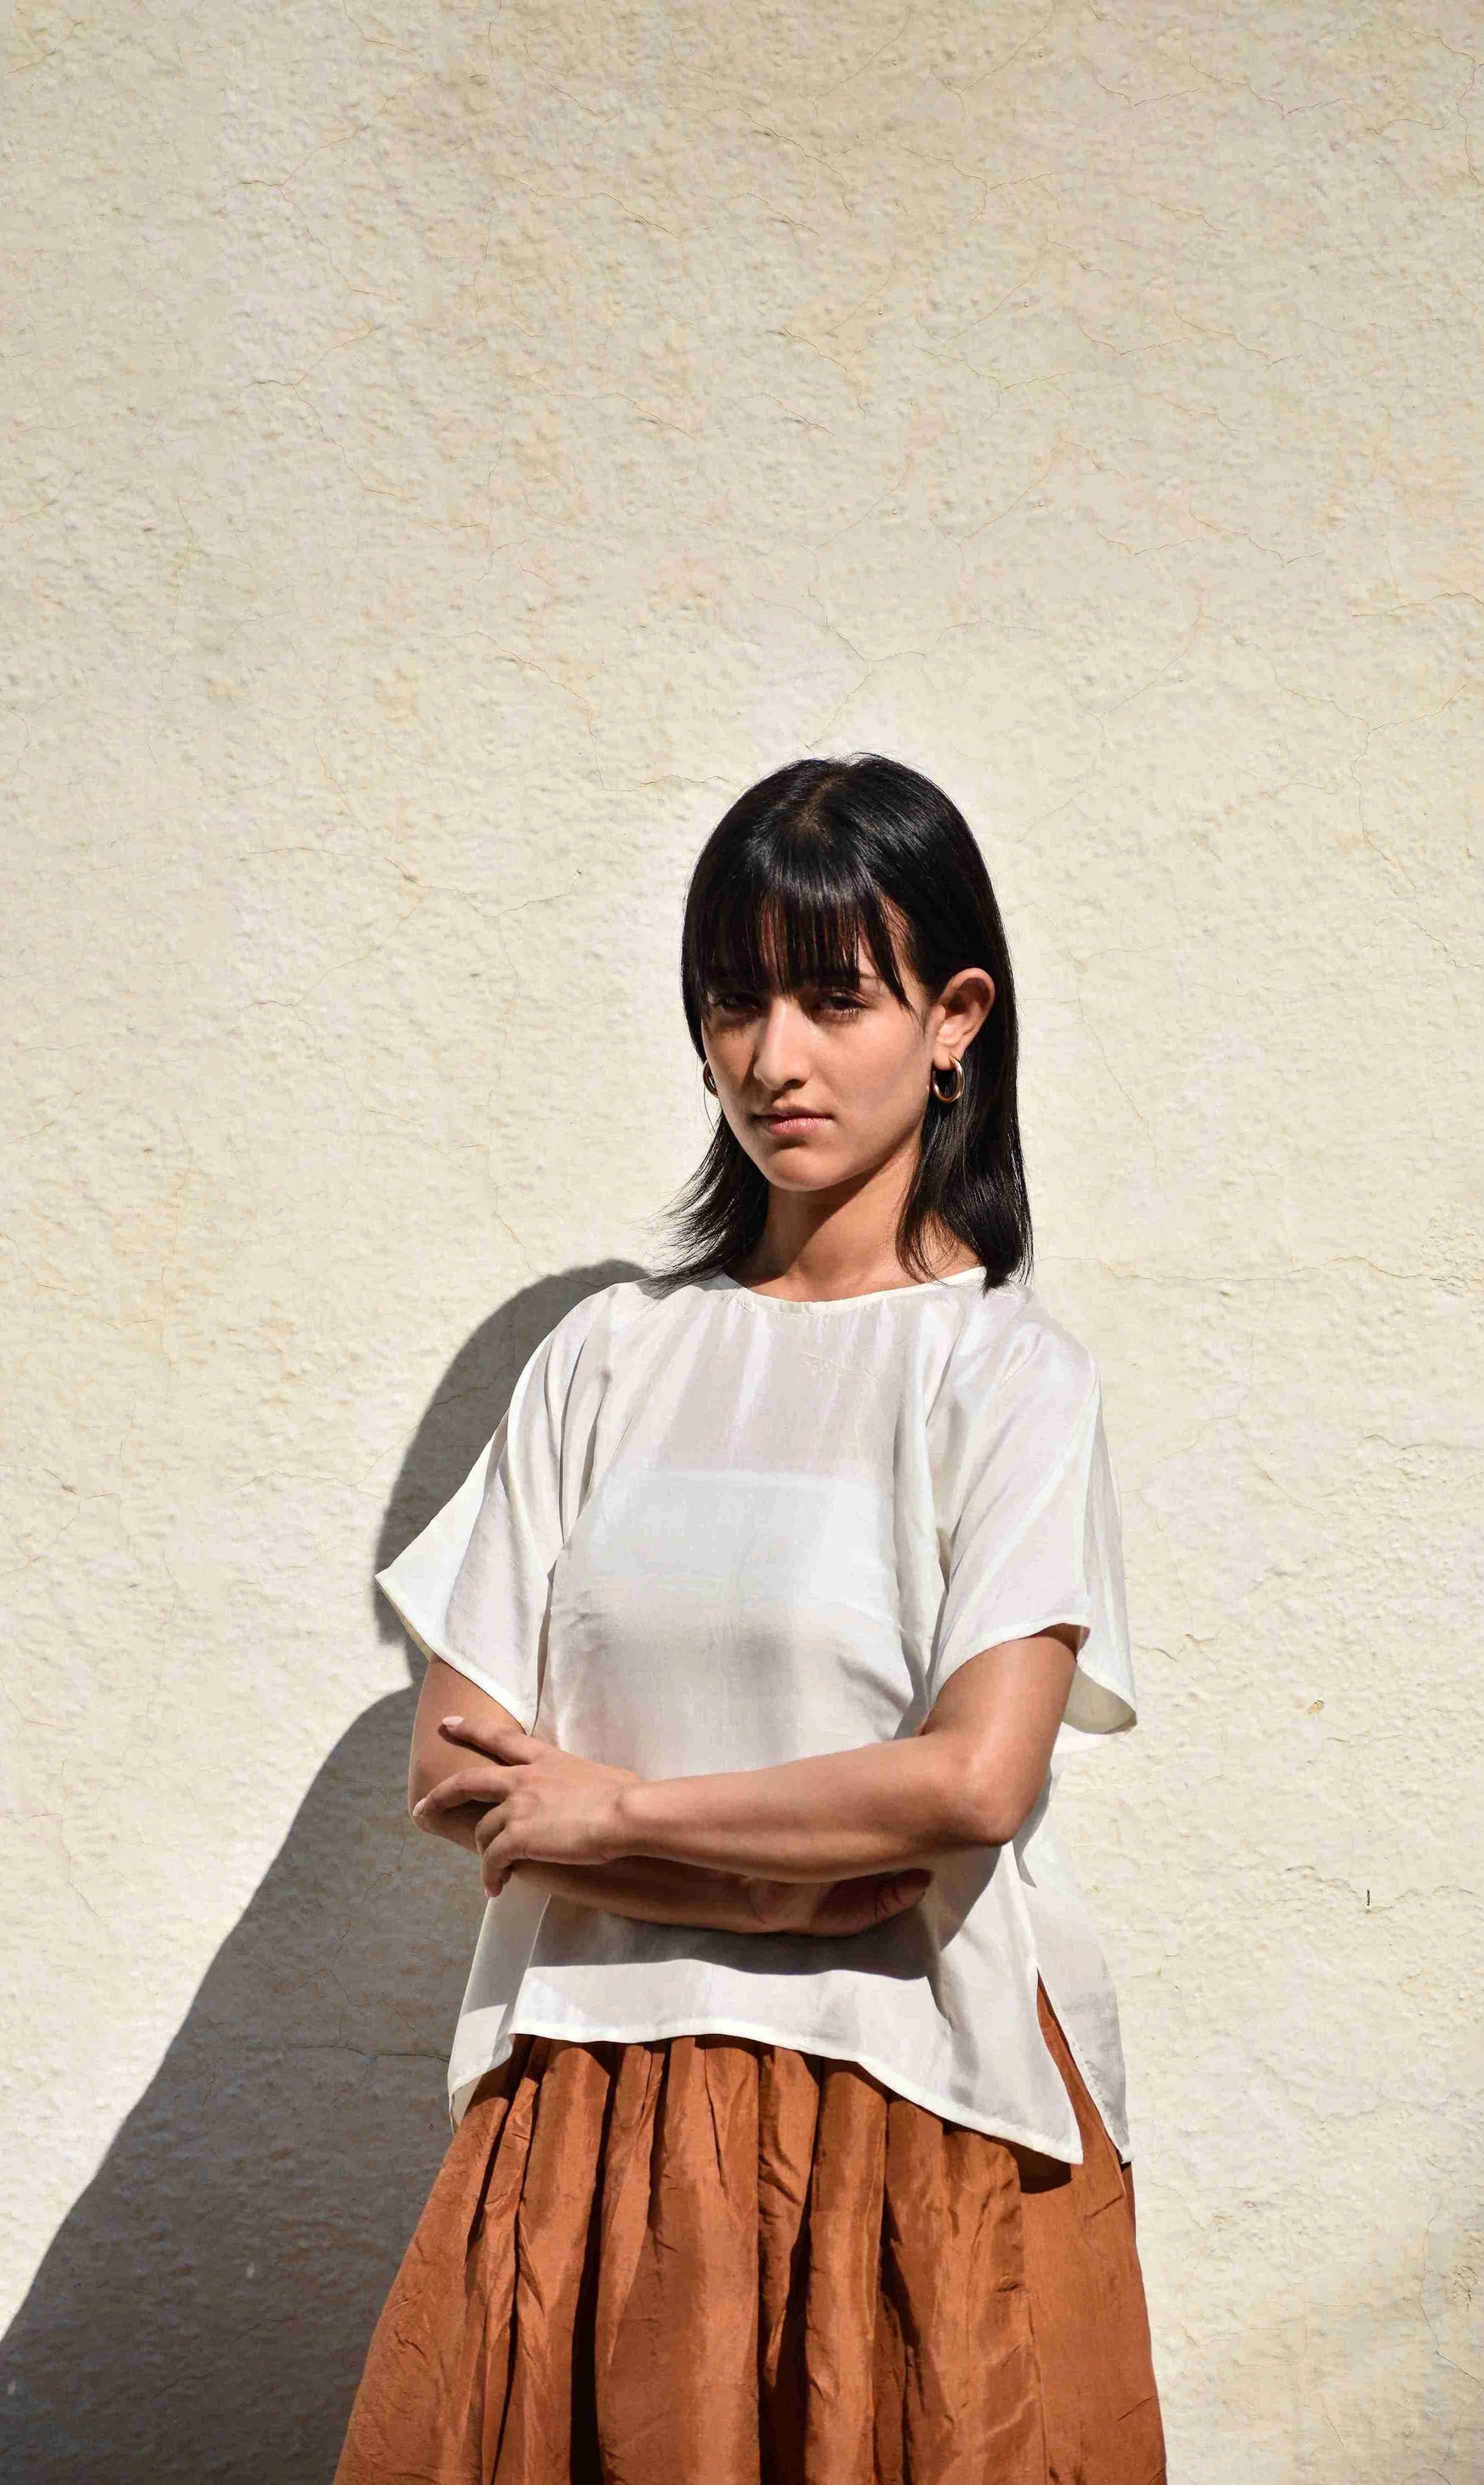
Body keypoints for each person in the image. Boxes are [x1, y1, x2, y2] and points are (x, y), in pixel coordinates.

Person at [333, 753, 1168, 2484]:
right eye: (733, 1001)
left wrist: (621, 1817)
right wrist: (790, 1865)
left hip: (914, 2105)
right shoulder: (607, 1359)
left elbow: (973, 1784)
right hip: (596, 2111)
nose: (770, 1057)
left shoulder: (1003, 1373)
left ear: (953, 1019)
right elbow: (458, 1771)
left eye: (830, 996)